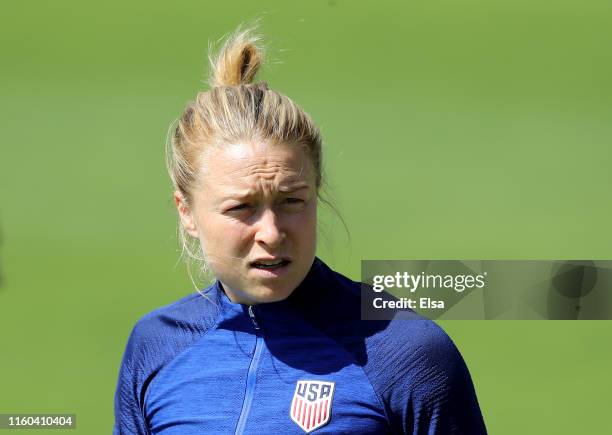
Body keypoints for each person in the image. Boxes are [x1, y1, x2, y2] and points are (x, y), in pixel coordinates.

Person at [113, 24, 487, 435]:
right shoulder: (156, 348)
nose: (271, 233)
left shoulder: (406, 354)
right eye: (242, 207)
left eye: (292, 202)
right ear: (186, 211)